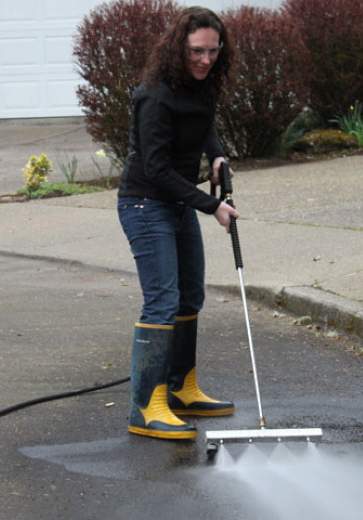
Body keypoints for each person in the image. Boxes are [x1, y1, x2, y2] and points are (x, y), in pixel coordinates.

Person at [117, 6, 239, 440]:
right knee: (163, 301)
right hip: (145, 204)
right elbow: (156, 169)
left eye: (212, 50)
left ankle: (182, 388)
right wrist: (212, 205)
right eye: (196, 52)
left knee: (191, 296)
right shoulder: (154, 95)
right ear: (178, 48)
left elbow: (206, 127)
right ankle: (146, 407)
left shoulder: (202, 86)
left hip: (177, 204)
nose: (205, 59)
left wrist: (218, 155)